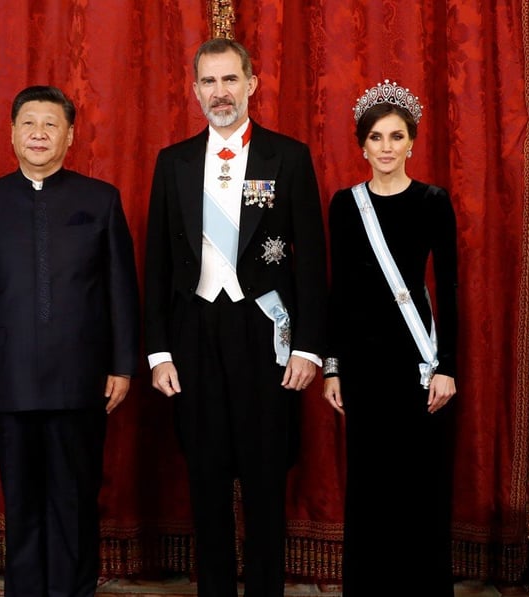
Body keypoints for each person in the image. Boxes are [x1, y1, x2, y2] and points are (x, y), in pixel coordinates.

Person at [144, 38, 329, 596]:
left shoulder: (287, 156)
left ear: (252, 83)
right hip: (194, 334)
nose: (220, 92)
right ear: (194, 89)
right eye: (209, 82)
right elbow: (154, 262)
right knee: (205, 479)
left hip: (265, 335)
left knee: (265, 477)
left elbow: (313, 261)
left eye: (230, 80)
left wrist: (308, 347)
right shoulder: (172, 161)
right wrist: (158, 351)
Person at [0, 85, 140, 597]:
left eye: (51, 124)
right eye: (29, 123)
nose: (39, 133)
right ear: (12, 133)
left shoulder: (99, 199)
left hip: (82, 379)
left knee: (75, 501)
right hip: (8, 377)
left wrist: (123, 365)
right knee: (21, 500)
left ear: (70, 135)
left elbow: (122, 289)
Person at [322, 80, 458, 596]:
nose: (385, 147)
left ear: (411, 143)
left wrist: (447, 366)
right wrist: (333, 366)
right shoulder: (343, 205)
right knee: (371, 490)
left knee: (418, 488)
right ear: (362, 146)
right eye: (375, 137)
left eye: (395, 136)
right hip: (362, 367)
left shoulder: (432, 201)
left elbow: (449, 289)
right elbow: (339, 292)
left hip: (417, 365)